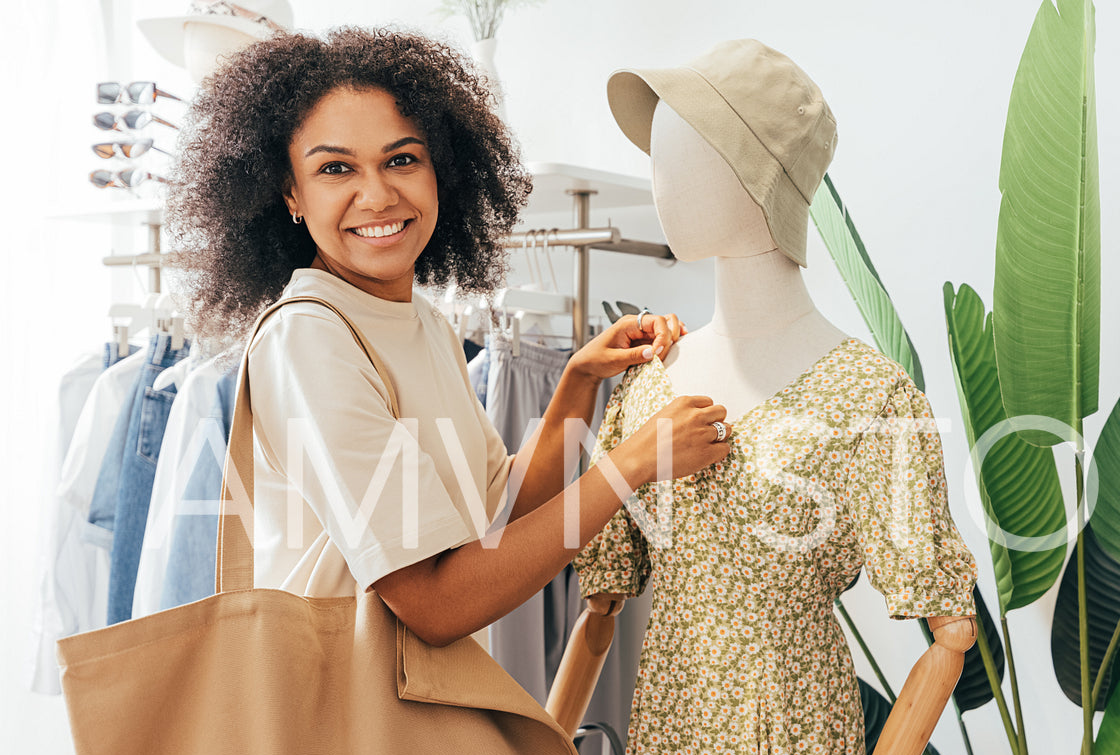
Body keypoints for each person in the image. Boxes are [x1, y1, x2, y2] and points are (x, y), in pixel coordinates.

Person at [166, 26, 730, 642]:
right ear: (290, 194)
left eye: (401, 159)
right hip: (347, 728)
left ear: (443, 173)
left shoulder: (423, 323)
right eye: (335, 168)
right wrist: (632, 465)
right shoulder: (309, 338)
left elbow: (501, 514)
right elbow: (436, 606)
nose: (377, 195)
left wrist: (577, 383)